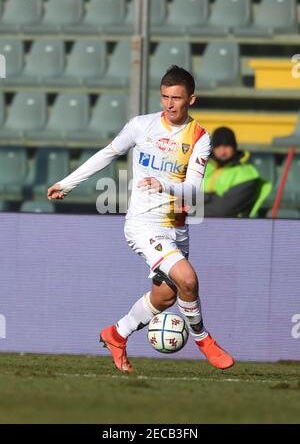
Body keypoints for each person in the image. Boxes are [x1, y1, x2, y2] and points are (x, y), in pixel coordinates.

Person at [47, 66, 234, 373]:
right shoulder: (141, 125)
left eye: (176, 98)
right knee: (188, 279)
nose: (169, 104)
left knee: (165, 296)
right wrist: (67, 183)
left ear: (192, 99)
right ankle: (204, 341)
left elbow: (193, 190)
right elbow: (107, 154)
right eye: (164, 97)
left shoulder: (199, 137)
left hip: (177, 227)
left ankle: (116, 335)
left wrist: (165, 185)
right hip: (143, 224)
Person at [204, 127, 272, 218]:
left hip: (232, 228)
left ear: (234, 147)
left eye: (227, 146)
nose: (222, 151)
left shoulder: (247, 174)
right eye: (218, 146)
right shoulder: (201, 168)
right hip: (195, 226)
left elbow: (222, 209)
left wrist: (194, 204)